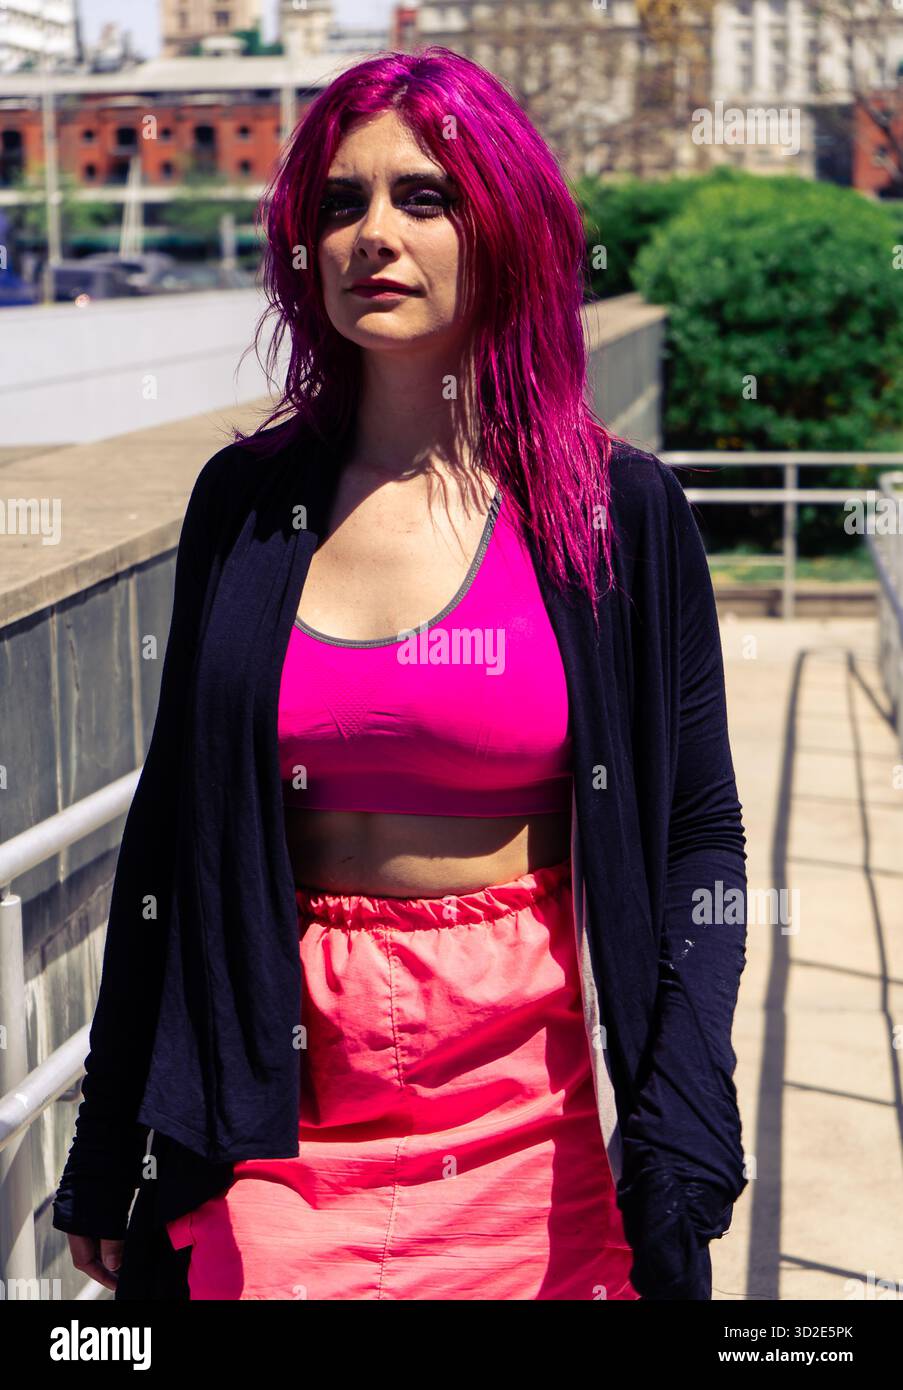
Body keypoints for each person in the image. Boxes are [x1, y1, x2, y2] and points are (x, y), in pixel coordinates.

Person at [53, 47, 749, 1301]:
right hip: (273, 1123)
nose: (373, 233)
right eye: (340, 201)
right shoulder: (247, 503)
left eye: (425, 197)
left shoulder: (618, 513)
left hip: (543, 1131)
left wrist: (691, 1109)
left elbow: (699, 835)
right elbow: (171, 834)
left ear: (509, 229)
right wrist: (108, 1145)